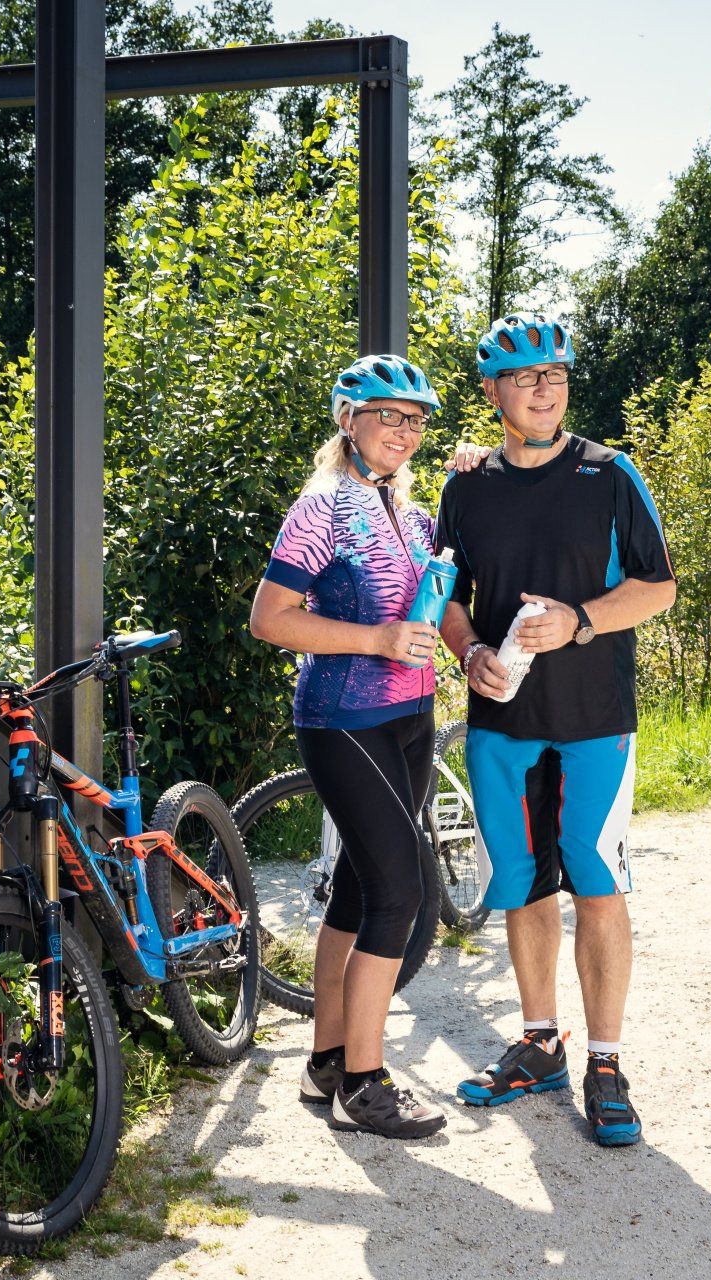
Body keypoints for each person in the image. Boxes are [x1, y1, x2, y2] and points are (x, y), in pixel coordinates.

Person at [435, 313, 677, 1146]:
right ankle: (541, 1043)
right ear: (494, 391)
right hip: (502, 723)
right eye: (527, 377)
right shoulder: (465, 486)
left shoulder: (610, 475)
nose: (546, 390)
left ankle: (605, 1061)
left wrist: (578, 620)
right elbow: (449, 596)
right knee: (522, 882)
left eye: (558, 375)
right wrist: (467, 653)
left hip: (593, 721)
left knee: (596, 880)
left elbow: (658, 587)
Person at [247, 353, 454, 1140]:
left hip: (410, 713)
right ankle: (364, 1086)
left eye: (416, 419)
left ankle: (326, 1061)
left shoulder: (403, 503)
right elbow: (270, 618)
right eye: (387, 415)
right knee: (402, 893)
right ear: (348, 420)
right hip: (345, 718)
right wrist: (374, 638)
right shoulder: (323, 504)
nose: (404, 430)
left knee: (364, 891)